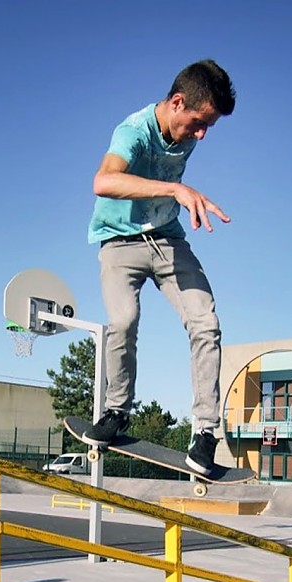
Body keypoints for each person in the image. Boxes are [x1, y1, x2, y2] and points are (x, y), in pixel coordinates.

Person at [83, 59, 235, 476]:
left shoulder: (192, 129)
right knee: (124, 320)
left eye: (209, 128)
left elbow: (193, 131)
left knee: (206, 322)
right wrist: (175, 188)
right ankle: (116, 410)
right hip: (119, 243)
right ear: (177, 102)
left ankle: (205, 433)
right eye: (198, 123)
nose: (201, 135)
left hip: (167, 241)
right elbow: (103, 181)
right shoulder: (132, 131)